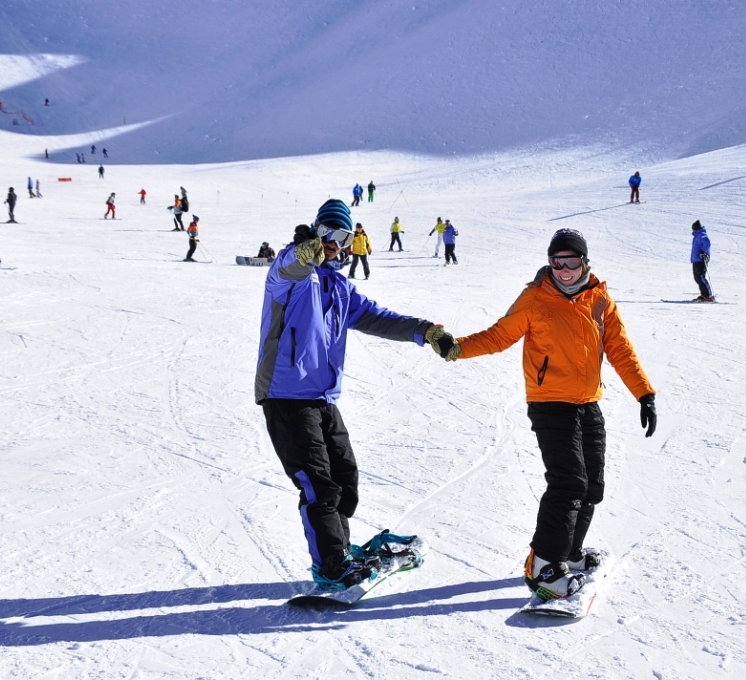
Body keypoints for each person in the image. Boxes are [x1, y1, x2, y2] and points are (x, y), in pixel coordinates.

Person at [439, 228, 656, 601]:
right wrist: (457, 348)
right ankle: (543, 566)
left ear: (584, 262)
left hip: (588, 403)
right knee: (568, 483)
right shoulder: (535, 298)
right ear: (550, 263)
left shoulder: (600, 300)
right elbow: (498, 336)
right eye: (558, 261)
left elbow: (620, 349)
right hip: (549, 402)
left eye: (572, 261)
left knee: (591, 486)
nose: (565, 269)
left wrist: (644, 393)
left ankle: (569, 554)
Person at [255, 198, 455, 591]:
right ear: (316, 231)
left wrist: (426, 331)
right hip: (285, 395)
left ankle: (340, 550)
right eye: (327, 232)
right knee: (317, 484)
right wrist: (301, 253)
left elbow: (381, 318)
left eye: (341, 235)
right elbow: (285, 267)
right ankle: (330, 566)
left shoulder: (342, 289)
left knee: (345, 479)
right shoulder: (292, 275)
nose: (333, 241)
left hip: (323, 398)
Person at [690, 220, 714, 301]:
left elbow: (707, 243)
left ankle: (708, 295)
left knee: (701, 277)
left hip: (701, 258)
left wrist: (703, 251)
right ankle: (704, 295)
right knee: (697, 278)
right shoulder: (697, 235)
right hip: (696, 259)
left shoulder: (702, 234)